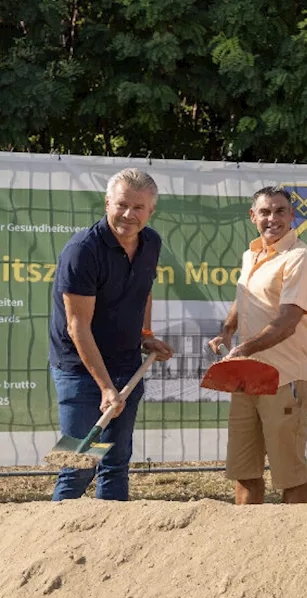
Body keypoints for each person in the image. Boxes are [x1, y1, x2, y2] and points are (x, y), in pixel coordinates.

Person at [48, 168, 175, 500]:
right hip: (78, 368)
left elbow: (143, 290)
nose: (129, 215)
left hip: (126, 362)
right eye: (122, 205)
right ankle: (56, 547)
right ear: (107, 203)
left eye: (138, 208)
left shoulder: (151, 243)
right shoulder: (82, 251)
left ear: (151, 211)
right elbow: (77, 326)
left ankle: (111, 548)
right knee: (79, 465)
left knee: (116, 463)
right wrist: (105, 387)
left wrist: (145, 334)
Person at [208, 186, 307, 505]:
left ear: (292, 215)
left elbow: (288, 320)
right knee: (244, 472)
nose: (272, 218)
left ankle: (297, 551)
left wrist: (244, 349)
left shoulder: (301, 258)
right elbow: (244, 294)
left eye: (280, 211)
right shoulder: (252, 254)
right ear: (253, 216)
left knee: (290, 476)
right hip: (247, 378)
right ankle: (247, 548)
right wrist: (228, 329)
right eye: (265, 212)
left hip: (286, 379)